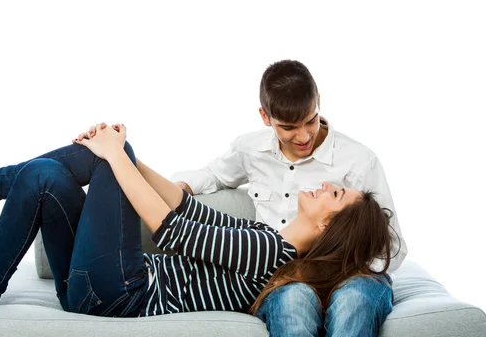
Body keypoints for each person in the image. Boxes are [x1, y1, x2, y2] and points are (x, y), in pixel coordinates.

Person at [0, 122, 393, 327]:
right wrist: (125, 151)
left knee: (110, 152)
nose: (322, 184)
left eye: (334, 193)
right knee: (45, 177)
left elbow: (168, 228)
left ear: (333, 226)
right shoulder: (268, 239)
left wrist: (114, 153)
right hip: (92, 287)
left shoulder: (270, 255)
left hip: (120, 293)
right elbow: (187, 210)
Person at [171, 59, 408, 336]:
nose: (304, 136)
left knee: (352, 299)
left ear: (318, 101)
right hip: (287, 278)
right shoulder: (251, 149)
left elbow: (391, 246)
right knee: (293, 299)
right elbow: (213, 174)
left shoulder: (358, 161)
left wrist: (344, 268)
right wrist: (181, 187)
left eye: (311, 120)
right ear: (265, 117)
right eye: (289, 128)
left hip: (351, 276)